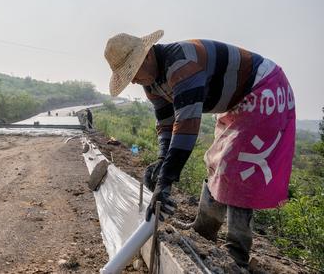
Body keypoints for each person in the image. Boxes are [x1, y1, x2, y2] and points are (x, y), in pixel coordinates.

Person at [104, 30, 296, 269]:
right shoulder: (151, 82)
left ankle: (237, 251)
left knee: (237, 167)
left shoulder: (183, 63)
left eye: (132, 73)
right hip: (237, 101)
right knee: (217, 161)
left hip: (263, 87)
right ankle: (205, 228)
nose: (132, 81)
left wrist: (166, 181)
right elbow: (166, 124)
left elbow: (186, 126)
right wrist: (162, 160)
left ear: (147, 57)